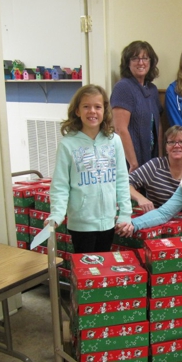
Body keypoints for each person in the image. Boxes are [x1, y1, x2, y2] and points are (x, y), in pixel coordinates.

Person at [46, 85, 132, 253]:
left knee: (103, 270)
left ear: (104, 110)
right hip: (81, 223)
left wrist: (125, 213)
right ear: (77, 111)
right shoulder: (67, 144)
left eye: (97, 107)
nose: (92, 111)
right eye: (86, 106)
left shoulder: (114, 141)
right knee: (85, 271)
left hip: (108, 221)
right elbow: (60, 184)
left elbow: (121, 179)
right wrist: (57, 214)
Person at [110, 40, 163, 172]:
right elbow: (120, 129)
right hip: (131, 162)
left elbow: (158, 125)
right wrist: (133, 163)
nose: (141, 62)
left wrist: (160, 156)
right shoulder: (123, 87)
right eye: (135, 58)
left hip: (151, 158)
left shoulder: (152, 89)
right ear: (127, 63)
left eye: (145, 58)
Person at [129, 125, 182, 213]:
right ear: (166, 147)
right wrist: (140, 198)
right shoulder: (155, 166)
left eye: (181, 142)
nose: (177, 146)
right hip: (154, 220)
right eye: (171, 142)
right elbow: (124, 184)